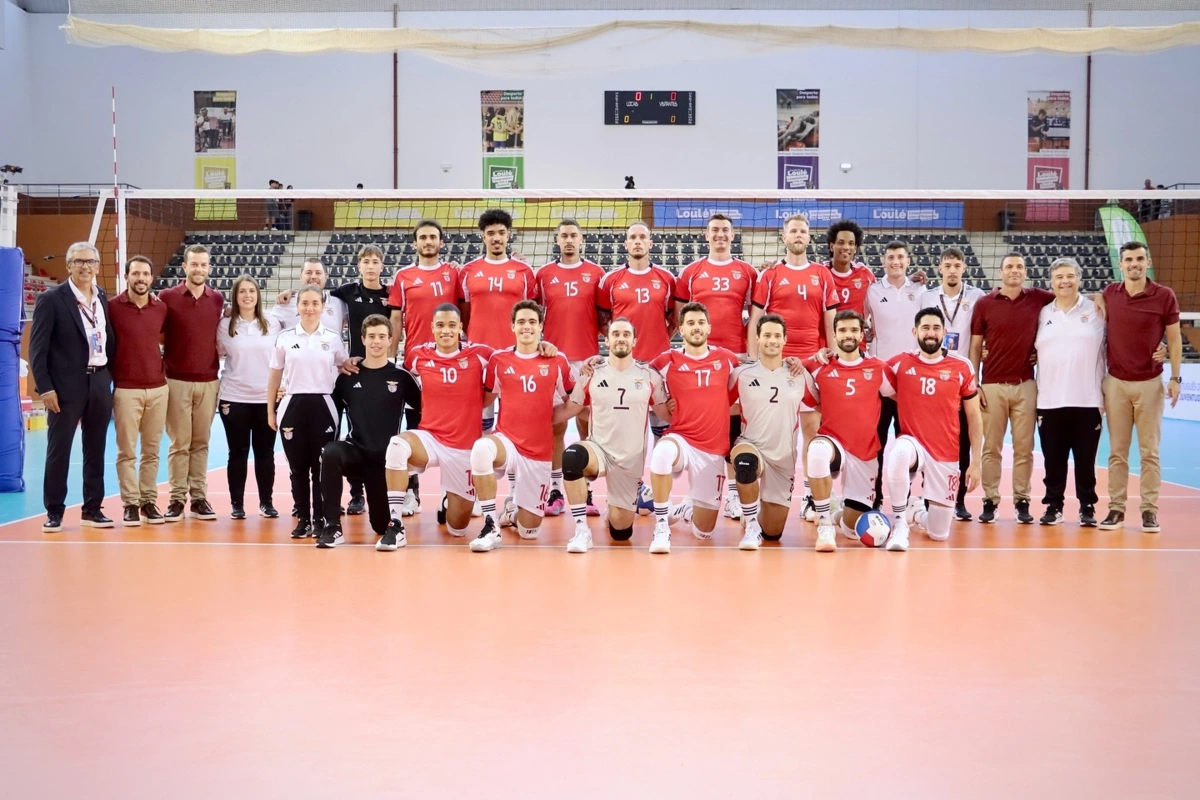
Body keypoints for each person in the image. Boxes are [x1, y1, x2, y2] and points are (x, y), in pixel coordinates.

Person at [749, 212, 838, 519]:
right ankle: (768, 494)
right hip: (777, 363)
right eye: (793, 231)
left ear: (809, 238)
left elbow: (830, 320)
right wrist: (753, 359)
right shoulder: (770, 275)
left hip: (812, 363)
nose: (798, 235)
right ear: (784, 237)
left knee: (813, 430)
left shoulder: (822, 275)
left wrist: (834, 356)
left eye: (803, 231)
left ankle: (813, 497)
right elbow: (756, 319)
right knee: (775, 432)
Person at [553, 318, 670, 553]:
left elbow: (665, 414)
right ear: (606, 340)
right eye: (615, 334)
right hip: (599, 449)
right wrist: (534, 418)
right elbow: (572, 408)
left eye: (626, 335)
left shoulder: (649, 375)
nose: (621, 338)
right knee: (572, 457)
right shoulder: (591, 373)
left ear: (634, 341)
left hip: (629, 460)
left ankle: (617, 507)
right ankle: (581, 530)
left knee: (620, 532)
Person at [468, 301, 575, 553]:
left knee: (529, 531)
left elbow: (574, 403)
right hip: (507, 440)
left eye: (532, 322)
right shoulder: (499, 359)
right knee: (482, 449)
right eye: (521, 322)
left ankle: (512, 513)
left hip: (538, 451)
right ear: (512, 326)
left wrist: (544, 417)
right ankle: (490, 525)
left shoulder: (557, 360)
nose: (526, 326)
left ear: (540, 327)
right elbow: (484, 399)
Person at [29, 242, 117, 532]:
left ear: (97, 266)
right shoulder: (52, 299)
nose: (84, 266)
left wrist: (109, 379)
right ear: (68, 266)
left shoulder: (102, 295)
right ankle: (54, 511)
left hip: (99, 380)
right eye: (78, 261)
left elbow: (107, 339)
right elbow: (38, 350)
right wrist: (45, 388)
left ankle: (92, 509)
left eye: (90, 261)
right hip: (65, 387)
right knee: (59, 449)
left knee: (96, 449)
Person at [674, 213, 757, 520]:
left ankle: (734, 494)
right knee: (703, 422)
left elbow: (757, 315)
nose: (720, 234)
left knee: (735, 424)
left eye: (725, 230)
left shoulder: (747, 272)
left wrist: (751, 355)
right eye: (715, 231)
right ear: (705, 236)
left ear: (732, 236)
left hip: (734, 357)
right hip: (700, 359)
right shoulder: (691, 271)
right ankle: (696, 495)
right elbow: (681, 317)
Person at [386, 304, 493, 538]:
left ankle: (447, 503)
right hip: (430, 438)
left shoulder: (481, 354)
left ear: (460, 328)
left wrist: (544, 346)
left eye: (452, 325)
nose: (446, 330)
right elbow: (393, 373)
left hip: (464, 447)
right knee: (397, 445)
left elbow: (512, 358)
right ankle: (395, 524)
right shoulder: (417, 355)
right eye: (441, 325)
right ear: (432, 327)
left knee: (457, 529)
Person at [882, 307, 983, 551]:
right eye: (925, 328)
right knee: (898, 453)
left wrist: (976, 461)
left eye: (936, 328)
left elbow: (974, 415)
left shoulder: (962, 366)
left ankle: (916, 513)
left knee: (939, 534)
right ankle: (899, 525)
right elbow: (868, 376)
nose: (931, 333)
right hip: (913, 443)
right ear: (915, 331)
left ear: (944, 333)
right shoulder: (899, 363)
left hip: (945, 452)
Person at [1099, 242, 1182, 533]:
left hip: (1149, 383)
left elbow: (1173, 340)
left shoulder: (1164, 296)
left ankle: (1149, 511)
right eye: (1128, 260)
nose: (1134, 264)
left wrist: (1175, 377)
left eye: (1139, 259)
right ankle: (1116, 510)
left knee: (1150, 452)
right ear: (1120, 265)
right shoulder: (1109, 294)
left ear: (1147, 261)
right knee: (1117, 453)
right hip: (1117, 384)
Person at [646, 303, 742, 554]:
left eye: (700, 322)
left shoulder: (727, 359)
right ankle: (661, 526)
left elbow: (750, 381)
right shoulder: (666, 361)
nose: (696, 327)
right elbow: (636, 377)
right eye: (690, 323)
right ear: (681, 329)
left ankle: (686, 509)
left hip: (712, 450)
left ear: (709, 327)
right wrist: (664, 406)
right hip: (682, 439)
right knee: (661, 454)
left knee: (704, 533)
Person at [968, 253, 1055, 525]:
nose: (1014, 271)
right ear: (1000, 272)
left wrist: (1041, 352)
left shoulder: (1040, 299)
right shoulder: (984, 304)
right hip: (992, 386)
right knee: (991, 447)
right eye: (1009, 267)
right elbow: (974, 346)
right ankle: (990, 500)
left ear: (1026, 272)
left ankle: (1022, 500)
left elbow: (1070, 304)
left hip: (1025, 386)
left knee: (1024, 448)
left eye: (1019, 266)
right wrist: (975, 383)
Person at [321, 315, 419, 550]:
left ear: (391, 340)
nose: (377, 341)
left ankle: (387, 510)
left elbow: (421, 411)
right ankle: (332, 526)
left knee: (379, 525)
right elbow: (332, 414)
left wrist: (412, 445)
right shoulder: (348, 376)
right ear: (363, 339)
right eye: (372, 336)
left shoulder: (401, 377)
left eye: (382, 337)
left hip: (385, 463)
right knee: (331, 452)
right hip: (356, 453)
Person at [801, 310, 894, 552]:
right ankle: (824, 522)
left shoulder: (878, 368)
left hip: (865, 452)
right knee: (817, 450)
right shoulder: (820, 365)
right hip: (835, 444)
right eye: (842, 330)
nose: (848, 334)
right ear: (834, 334)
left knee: (853, 530)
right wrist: (812, 356)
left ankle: (834, 513)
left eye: (854, 330)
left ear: (862, 334)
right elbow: (794, 368)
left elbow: (901, 395)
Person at [388, 220, 460, 514]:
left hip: (450, 365)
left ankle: (450, 495)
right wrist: (392, 359)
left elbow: (466, 312)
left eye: (433, 237)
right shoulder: (403, 276)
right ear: (415, 243)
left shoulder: (454, 273)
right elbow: (395, 320)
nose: (428, 241)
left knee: (453, 431)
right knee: (413, 428)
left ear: (441, 242)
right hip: (414, 367)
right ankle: (410, 493)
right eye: (423, 237)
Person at [266, 286, 349, 540]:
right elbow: (274, 375)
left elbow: (345, 367)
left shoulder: (333, 338)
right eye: (305, 303)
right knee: (297, 469)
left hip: (324, 405)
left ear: (323, 307)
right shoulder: (285, 337)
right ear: (297, 306)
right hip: (292, 406)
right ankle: (303, 518)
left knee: (320, 467)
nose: (310, 308)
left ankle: (320, 519)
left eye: (315, 303)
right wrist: (271, 410)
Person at [536, 218, 606, 516]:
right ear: (557, 240)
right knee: (556, 425)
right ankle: (554, 489)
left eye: (573, 235)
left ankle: (586, 491)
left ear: (581, 240)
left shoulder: (596, 273)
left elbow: (605, 318)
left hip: (587, 359)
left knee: (588, 425)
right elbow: (534, 315)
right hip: (554, 359)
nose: (568, 240)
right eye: (563, 235)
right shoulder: (544, 274)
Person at [1033, 258, 1105, 527]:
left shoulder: (1098, 310)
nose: (1065, 281)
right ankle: (1054, 505)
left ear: (1079, 278)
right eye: (1059, 276)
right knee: (1054, 460)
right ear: (1051, 282)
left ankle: (1087, 507)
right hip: (1050, 400)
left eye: (1070, 276)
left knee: (1086, 461)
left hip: (1088, 399)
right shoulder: (1042, 313)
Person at [728, 313, 808, 549]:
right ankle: (751, 523)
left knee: (773, 534)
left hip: (783, 457)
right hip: (751, 444)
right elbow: (719, 403)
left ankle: (754, 513)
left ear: (785, 340)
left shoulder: (800, 375)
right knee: (744, 464)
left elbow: (821, 404)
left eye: (776, 336)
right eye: (767, 335)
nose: (772, 340)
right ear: (758, 339)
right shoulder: (741, 375)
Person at [920, 247, 986, 521]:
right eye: (947, 265)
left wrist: (978, 376)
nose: (952, 269)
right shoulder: (926, 296)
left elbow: (982, 335)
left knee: (960, 442)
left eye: (957, 265)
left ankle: (958, 501)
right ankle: (927, 500)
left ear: (964, 268)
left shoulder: (977, 296)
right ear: (939, 268)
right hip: (933, 375)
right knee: (930, 441)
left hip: (963, 376)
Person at [160, 244, 225, 523]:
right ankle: (176, 499)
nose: (199, 269)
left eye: (203, 265)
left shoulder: (217, 299)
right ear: (184, 267)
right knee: (179, 443)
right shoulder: (166, 297)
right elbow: (159, 335)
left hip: (209, 381)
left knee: (201, 442)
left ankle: (199, 498)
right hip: (176, 380)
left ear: (209, 268)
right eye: (194, 264)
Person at [108, 255, 169, 526]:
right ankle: (130, 503)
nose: (141, 278)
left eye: (145, 274)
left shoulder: (161, 308)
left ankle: (148, 502)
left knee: (152, 450)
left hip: (158, 388)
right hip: (126, 389)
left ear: (152, 278)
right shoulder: (112, 307)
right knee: (126, 451)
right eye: (136, 274)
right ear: (127, 276)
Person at [216, 275, 282, 520]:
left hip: (266, 399)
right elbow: (216, 350)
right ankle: (237, 504)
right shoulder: (224, 326)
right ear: (235, 295)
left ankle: (266, 502)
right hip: (234, 397)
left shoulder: (273, 323)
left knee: (265, 452)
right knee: (238, 452)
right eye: (242, 291)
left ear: (258, 295)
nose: (247, 295)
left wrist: (284, 298)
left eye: (252, 291)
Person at [864, 240, 923, 509]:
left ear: (908, 261)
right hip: (879, 381)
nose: (896, 261)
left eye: (901, 257)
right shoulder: (872, 291)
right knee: (875, 443)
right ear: (884, 261)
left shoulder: (922, 291)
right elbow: (857, 321)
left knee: (907, 444)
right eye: (890, 257)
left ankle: (906, 499)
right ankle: (873, 497)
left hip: (910, 382)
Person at [598, 222, 676, 364]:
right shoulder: (609, 280)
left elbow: (674, 321)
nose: (637, 241)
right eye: (632, 238)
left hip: (659, 358)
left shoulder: (668, 278)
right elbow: (602, 321)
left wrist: (659, 339)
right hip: (624, 360)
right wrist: (619, 341)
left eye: (642, 237)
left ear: (650, 243)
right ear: (625, 244)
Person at [271, 257, 347, 334]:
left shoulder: (339, 304)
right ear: (301, 276)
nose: (313, 277)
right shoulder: (285, 303)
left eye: (318, 273)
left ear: (326, 276)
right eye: (308, 273)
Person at [824, 220, 875, 318]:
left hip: (856, 332)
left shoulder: (865, 274)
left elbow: (882, 291)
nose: (846, 247)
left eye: (851, 244)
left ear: (855, 248)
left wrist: (910, 280)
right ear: (831, 246)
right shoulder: (821, 272)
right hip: (829, 332)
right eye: (841, 242)